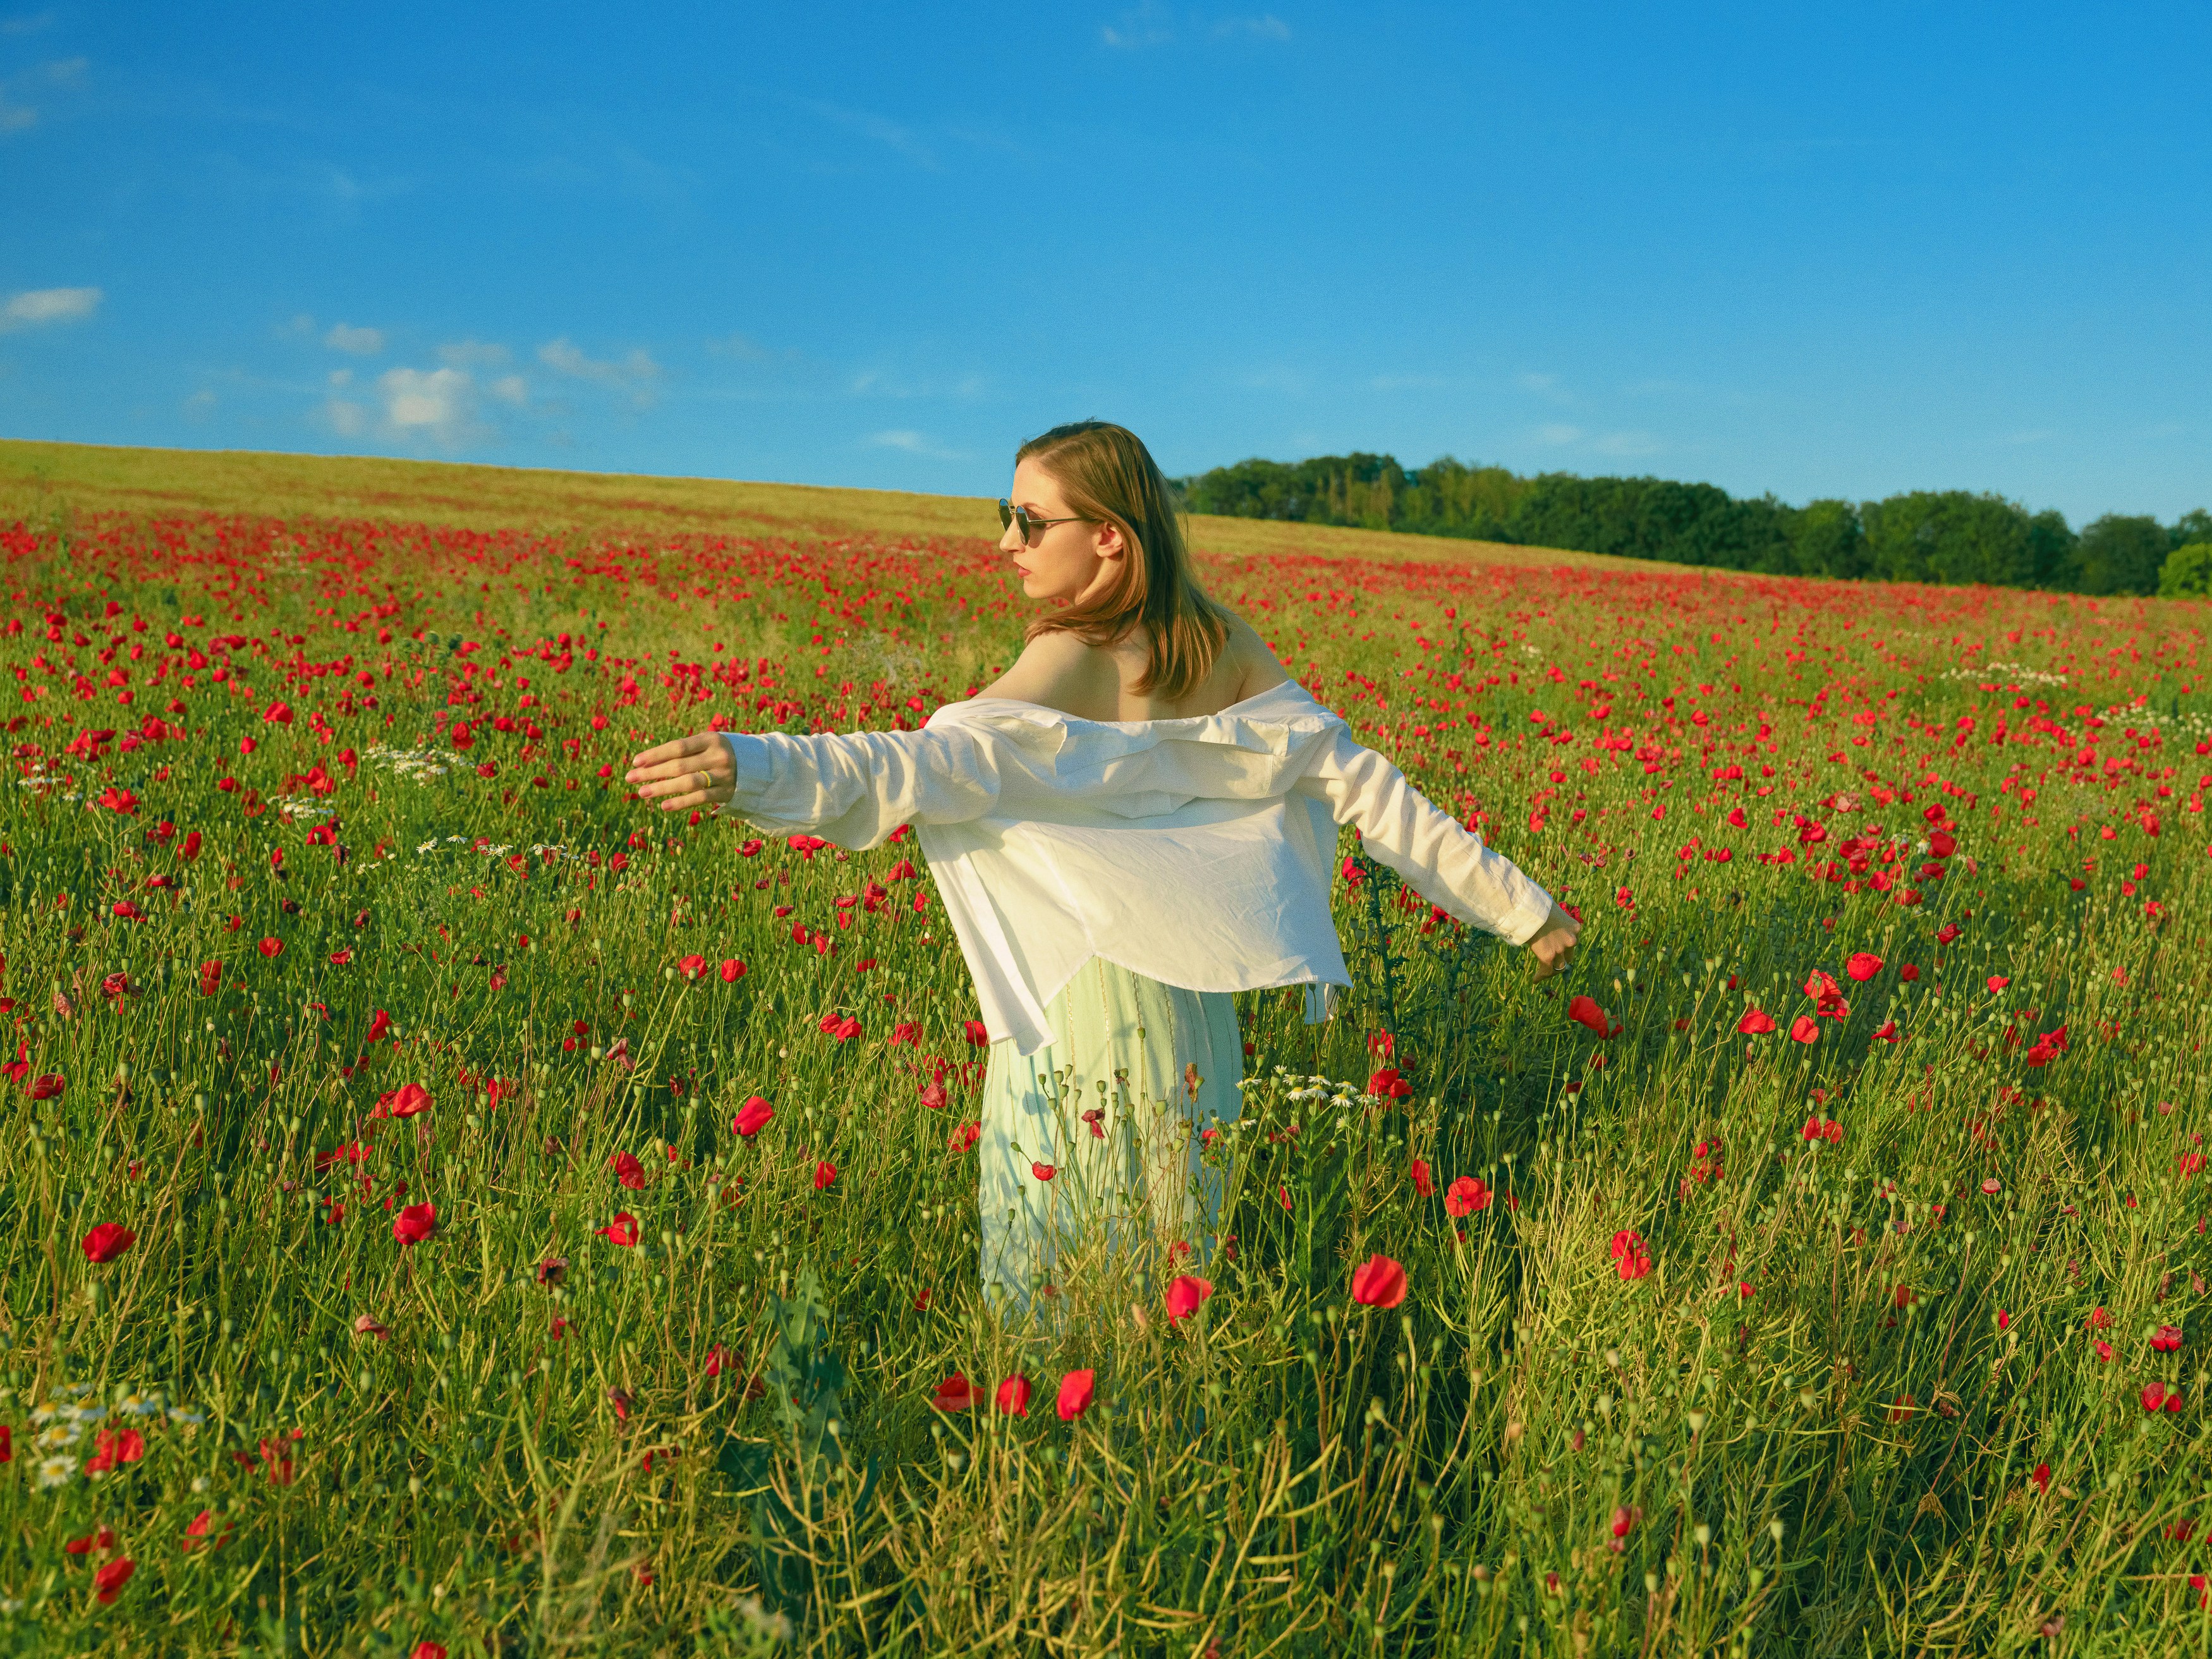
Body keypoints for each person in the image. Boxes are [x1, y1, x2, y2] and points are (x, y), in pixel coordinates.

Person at [626, 420, 1579, 1323]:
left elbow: (927, 765)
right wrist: (1524, 912)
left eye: (1030, 521)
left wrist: (761, 767)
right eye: (1004, 515)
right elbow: (1372, 792)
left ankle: (1060, 1464)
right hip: (1198, 1016)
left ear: (1113, 540)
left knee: (1060, 1276)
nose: (1006, 542)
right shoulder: (1225, 646)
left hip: (1081, 1014)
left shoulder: (1068, 656)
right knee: (1170, 1269)